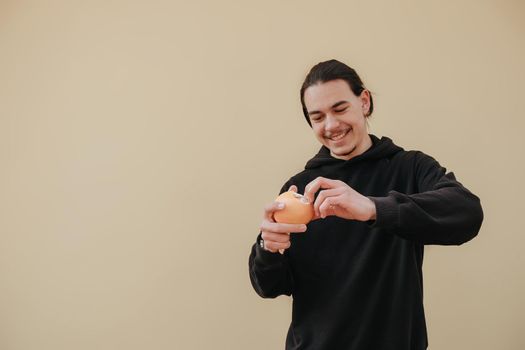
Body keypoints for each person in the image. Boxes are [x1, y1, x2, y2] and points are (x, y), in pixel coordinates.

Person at [248, 59, 483, 350]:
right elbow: (269, 286)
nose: (331, 125)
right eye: (318, 116)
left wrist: (373, 208)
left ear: (364, 101)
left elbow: (467, 213)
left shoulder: (409, 169)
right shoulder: (300, 188)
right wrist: (267, 249)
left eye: (340, 108)